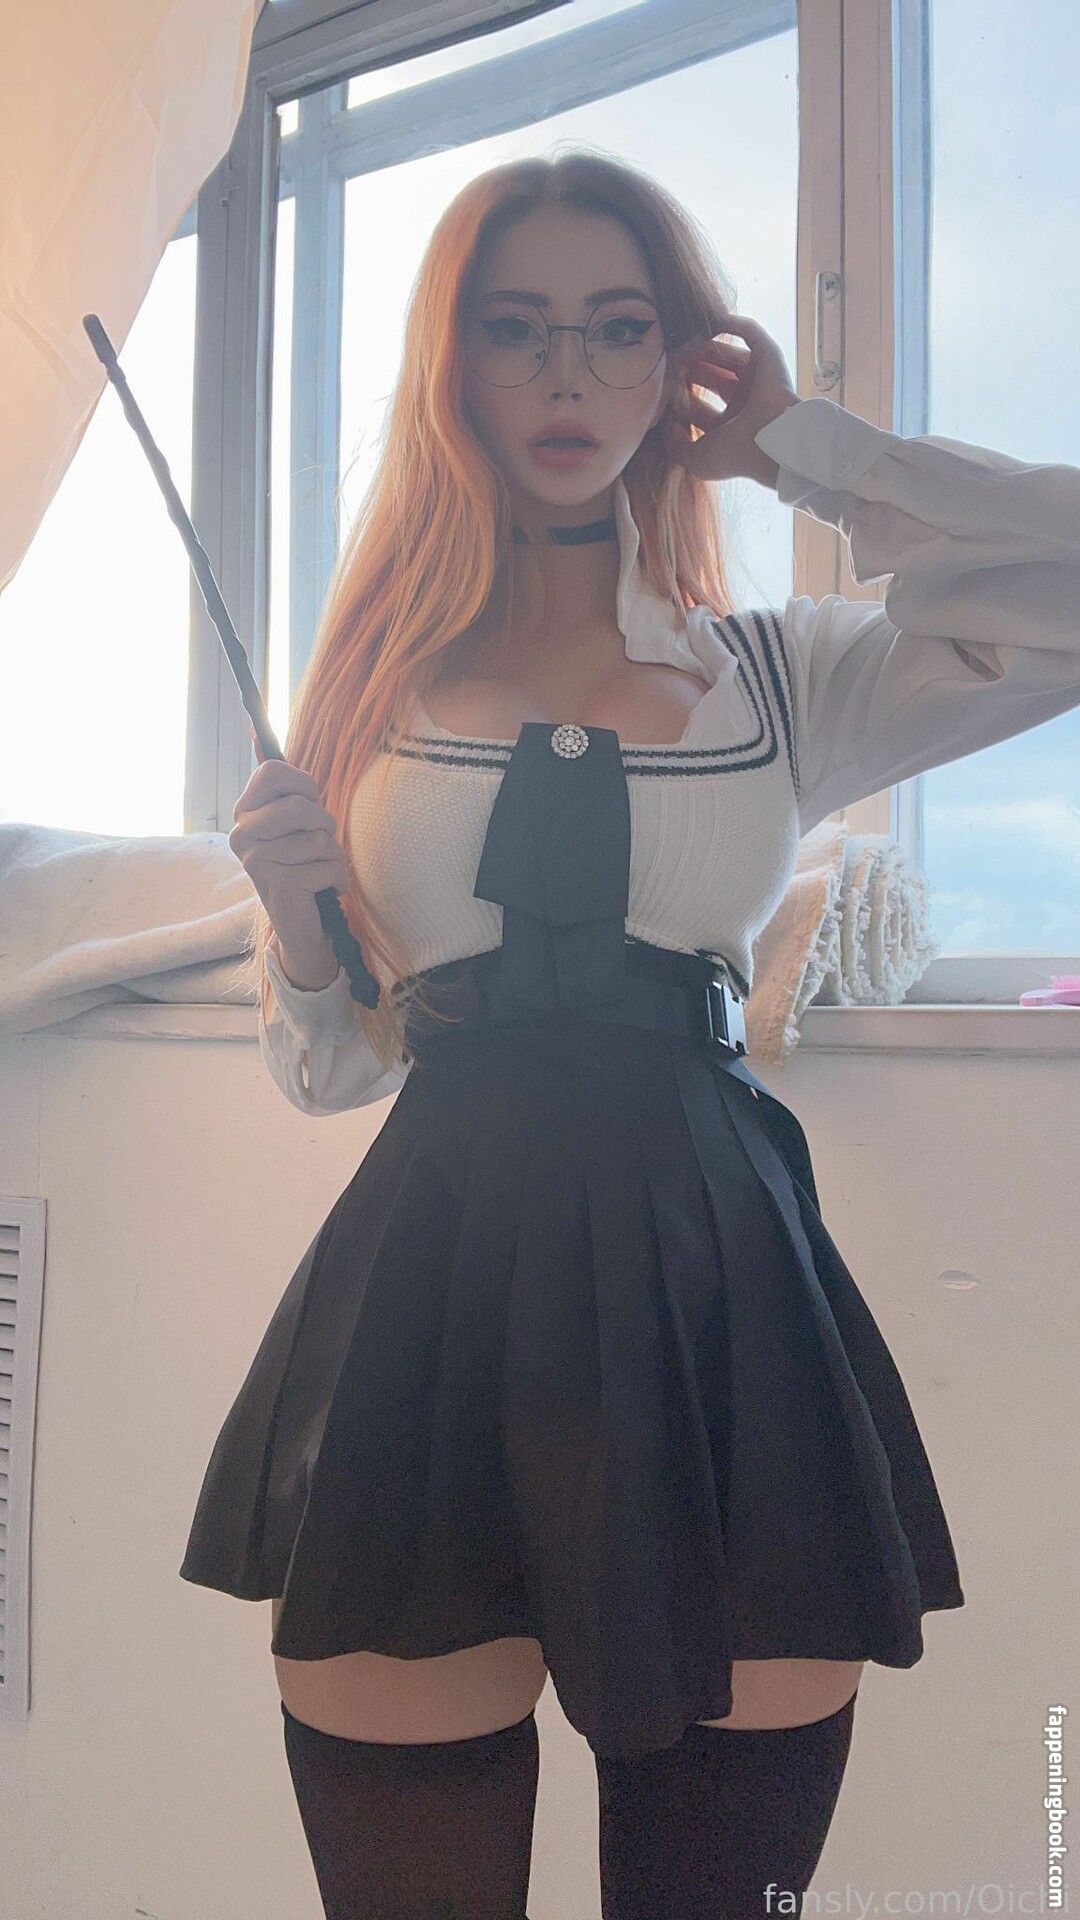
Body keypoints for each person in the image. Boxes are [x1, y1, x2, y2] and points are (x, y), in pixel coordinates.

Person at [179, 150, 1080, 1919]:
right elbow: (338, 1064)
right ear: (456, 365)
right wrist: (293, 919)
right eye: (519, 329)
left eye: (617, 328)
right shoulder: (367, 693)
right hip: (433, 1302)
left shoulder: (782, 678)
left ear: (681, 364)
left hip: (720, 1310)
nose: (570, 375)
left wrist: (811, 450)